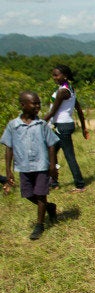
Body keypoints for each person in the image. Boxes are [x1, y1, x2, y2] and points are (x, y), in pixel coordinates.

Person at [1, 92, 59, 240]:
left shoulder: (42, 125)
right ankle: (50, 207)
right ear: (23, 105)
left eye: (39, 103)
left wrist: (52, 165)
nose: (38, 106)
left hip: (41, 165)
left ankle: (39, 225)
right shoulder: (13, 125)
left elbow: (52, 144)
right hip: (23, 166)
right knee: (27, 194)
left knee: (41, 195)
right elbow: (9, 148)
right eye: (34, 103)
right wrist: (8, 171)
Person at [43, 65, 88, 193]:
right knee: (51, 153)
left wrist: (38, 123)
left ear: (65, 76)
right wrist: (84, 128)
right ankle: (54, 181)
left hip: (62, 126)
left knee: (69, 156)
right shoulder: (69, 88)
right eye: (53, 75)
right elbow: (78, 109)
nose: (54, 78)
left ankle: (80, 185)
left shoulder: (63, 91)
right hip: (63, 126)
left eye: (56, 75)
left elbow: (52, 112)